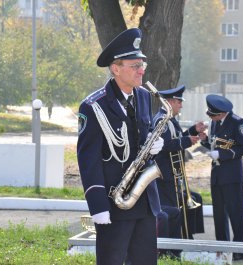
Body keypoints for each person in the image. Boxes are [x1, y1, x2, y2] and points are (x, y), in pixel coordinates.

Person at [77, 28, 164, 265]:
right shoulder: (94, 106)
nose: (142, 70)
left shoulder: (144, 97)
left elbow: (140, 137)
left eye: (142, 64)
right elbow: (88, 160)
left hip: (144, 201)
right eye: (135, 65)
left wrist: (154, 144)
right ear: (116, 68)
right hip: (114, 203)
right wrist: (98, 207)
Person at [153, 85, 206, 241]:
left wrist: (193, 131)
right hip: (165, 175)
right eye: (178, 102)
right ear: (169, 102)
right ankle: (172, 245)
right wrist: (186, 141)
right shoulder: (162, 120)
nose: (181, 105)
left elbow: (177, 137)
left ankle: (185, 238)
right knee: (172, 211)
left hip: (172, 173)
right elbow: (164, 144)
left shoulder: (169, 119)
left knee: (182, 205)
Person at [200, 94, 243, 261]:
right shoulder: (214, 123)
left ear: (221, 113)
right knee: (219, 216)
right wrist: (204, 141)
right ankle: (222, 249)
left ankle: (239, 251)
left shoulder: (237, 122)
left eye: (213, 115)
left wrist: (221, 154)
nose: (211, 118)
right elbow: (215, 144)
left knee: (236, 215)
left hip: (232, 176)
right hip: (217, 176)